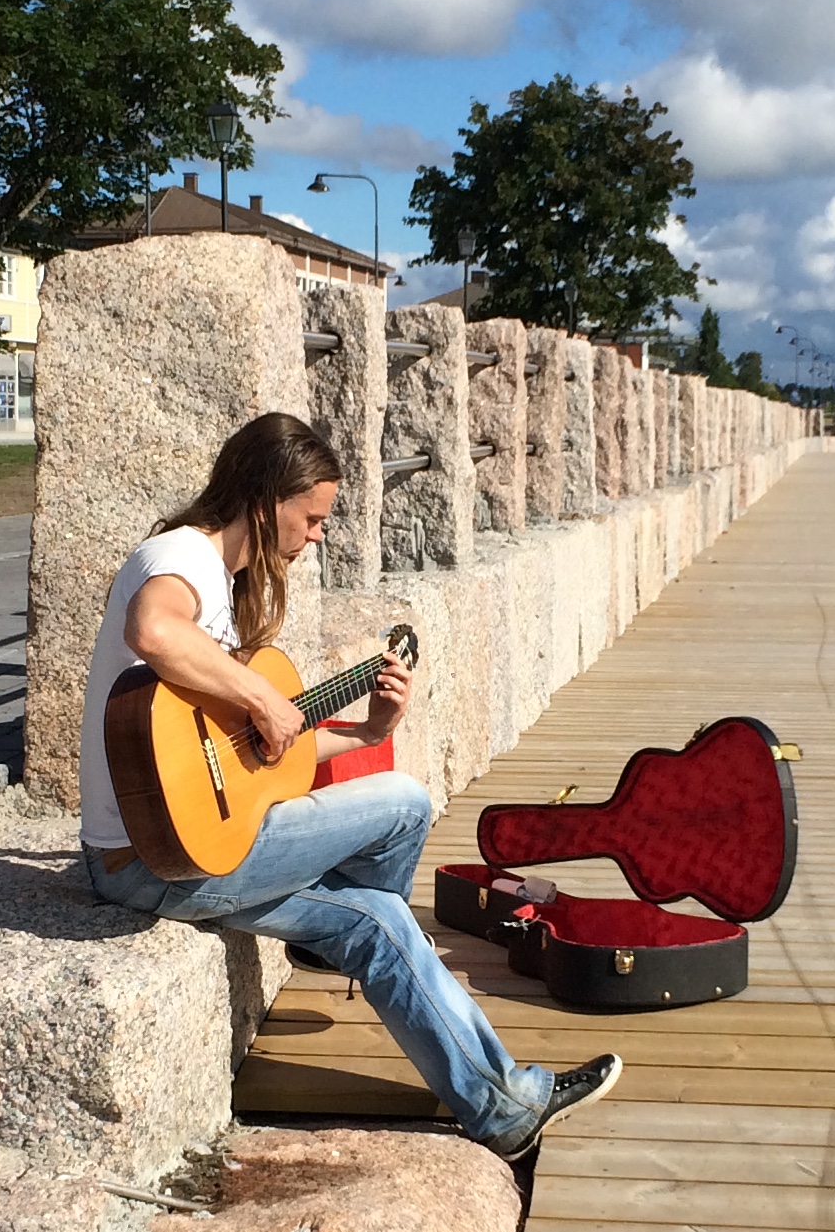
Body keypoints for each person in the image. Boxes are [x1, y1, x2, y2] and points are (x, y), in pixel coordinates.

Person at [80, 411, 620, 1158]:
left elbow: (263, 755)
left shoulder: (225, 580)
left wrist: (367, 732)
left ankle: (505, 1109)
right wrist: (264, 697)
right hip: (151, 863)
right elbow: (154, 631)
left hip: (179, 849)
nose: (319, 534)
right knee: (405, 805)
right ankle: (334, 938)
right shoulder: (183, 558)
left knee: (378, 921)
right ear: (268, 498)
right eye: (313, 517)